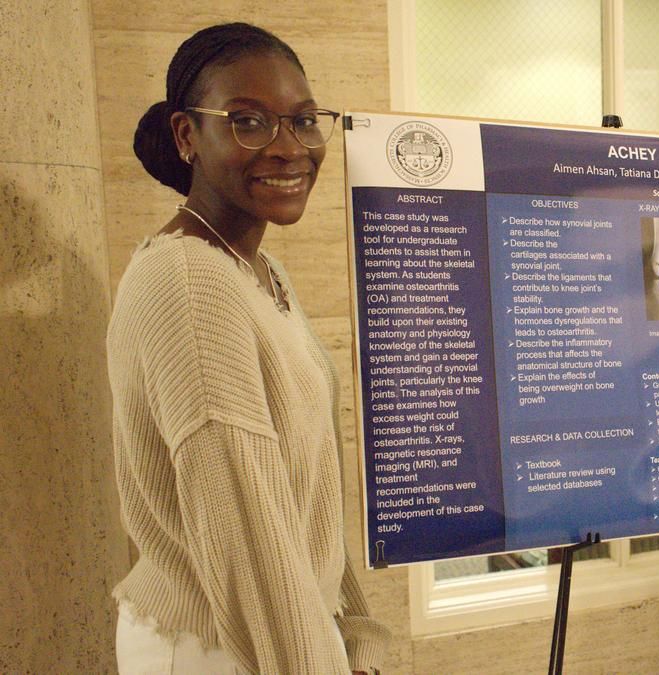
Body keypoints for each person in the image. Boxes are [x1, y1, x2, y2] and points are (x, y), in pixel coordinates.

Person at [108, 23, 388, 674]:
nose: (289, 148)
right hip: (221, 647)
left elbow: (303, 494)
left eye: (303, 120)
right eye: (249, 122)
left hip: (275, 638)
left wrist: (352, 630)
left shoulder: (259, 273)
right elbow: (249, 540)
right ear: (187, 136)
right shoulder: (189, 282)